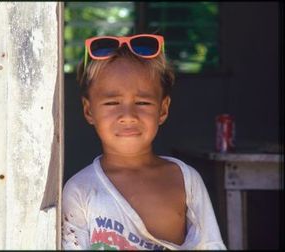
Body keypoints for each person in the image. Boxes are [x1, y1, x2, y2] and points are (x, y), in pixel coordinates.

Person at [62, 34, 226, 250]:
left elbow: (211, 246)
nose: (128, 115)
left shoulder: (185, 181)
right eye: (112, 102)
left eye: (142, 102)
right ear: (88, 110)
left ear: (163, 109)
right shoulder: (80, 190)